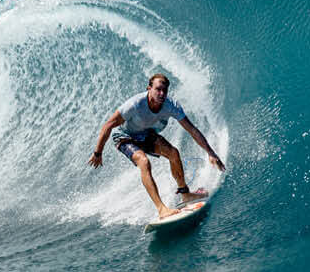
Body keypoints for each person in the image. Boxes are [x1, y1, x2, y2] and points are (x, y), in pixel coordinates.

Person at [88, 73, 226, 219]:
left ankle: (185, 194)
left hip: (146, 134)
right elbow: (109, 124)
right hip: (125, 136)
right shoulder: (135, 104)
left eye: (164, 91)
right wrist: (98, 152)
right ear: (149, 88)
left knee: (173, 153)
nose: (161, 93)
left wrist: (211, 153)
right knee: (144, 161)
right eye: (158, 89)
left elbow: (192, 129)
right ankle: (162, 209)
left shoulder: (171, 106)